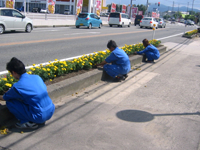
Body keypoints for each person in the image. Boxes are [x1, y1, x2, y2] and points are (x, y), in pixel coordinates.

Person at [0, 57, 55, 129]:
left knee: (10, 102)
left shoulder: (17, 87)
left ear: (14, 72)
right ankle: (36, 118)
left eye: (11, 73)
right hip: (51, 110)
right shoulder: (37, 77)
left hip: (40, 116)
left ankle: (26, 122)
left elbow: (4, 98)